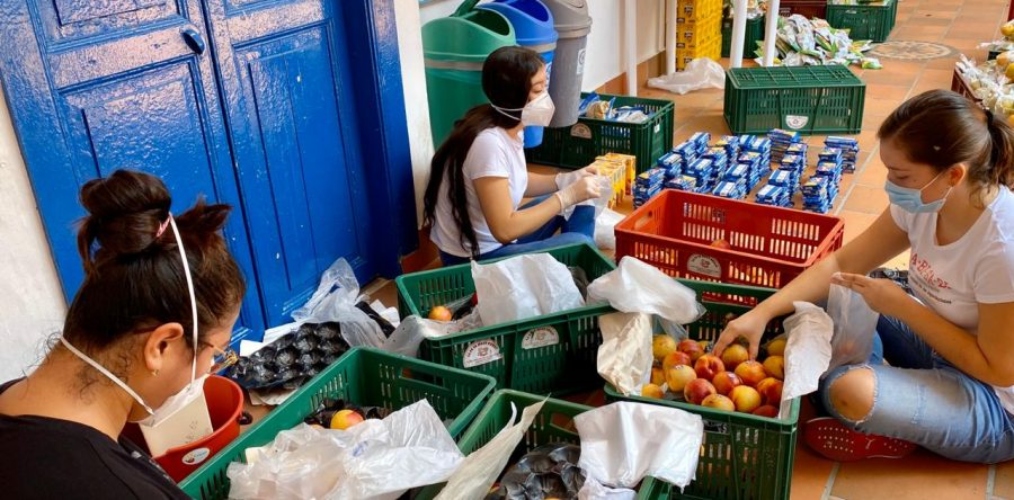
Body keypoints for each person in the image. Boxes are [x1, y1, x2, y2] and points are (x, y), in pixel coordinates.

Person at [713, 89, 1014, 464]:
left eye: (901, 175)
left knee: (846, 390)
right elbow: (842, 263)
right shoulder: (926, 201)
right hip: (941, 344)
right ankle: (883, 392)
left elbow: (998, 370)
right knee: (834, 291)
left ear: (953, 175)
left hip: (995, 403)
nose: (891, 185)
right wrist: (763, 312)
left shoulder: (1002, 248)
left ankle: (877, 409)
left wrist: (902, 307)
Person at [0, 170, 246, 497]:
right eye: (215, 352)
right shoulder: (117, 489)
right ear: (161, 345)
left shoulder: (13, 402)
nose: (210, 368)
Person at [424, 46, 605, 266]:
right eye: (538, 90)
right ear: (514, 96)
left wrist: (566, 180)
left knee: (581, 201)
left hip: (499, 243)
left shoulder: (508, 126)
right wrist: (567, 195)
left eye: (544, 87)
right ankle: (578, 268)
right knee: (581, 243)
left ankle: (575, 270)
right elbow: (504, 230)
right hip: (476, 262)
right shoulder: (488, 144)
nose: (545, 97)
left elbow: (515, 180)